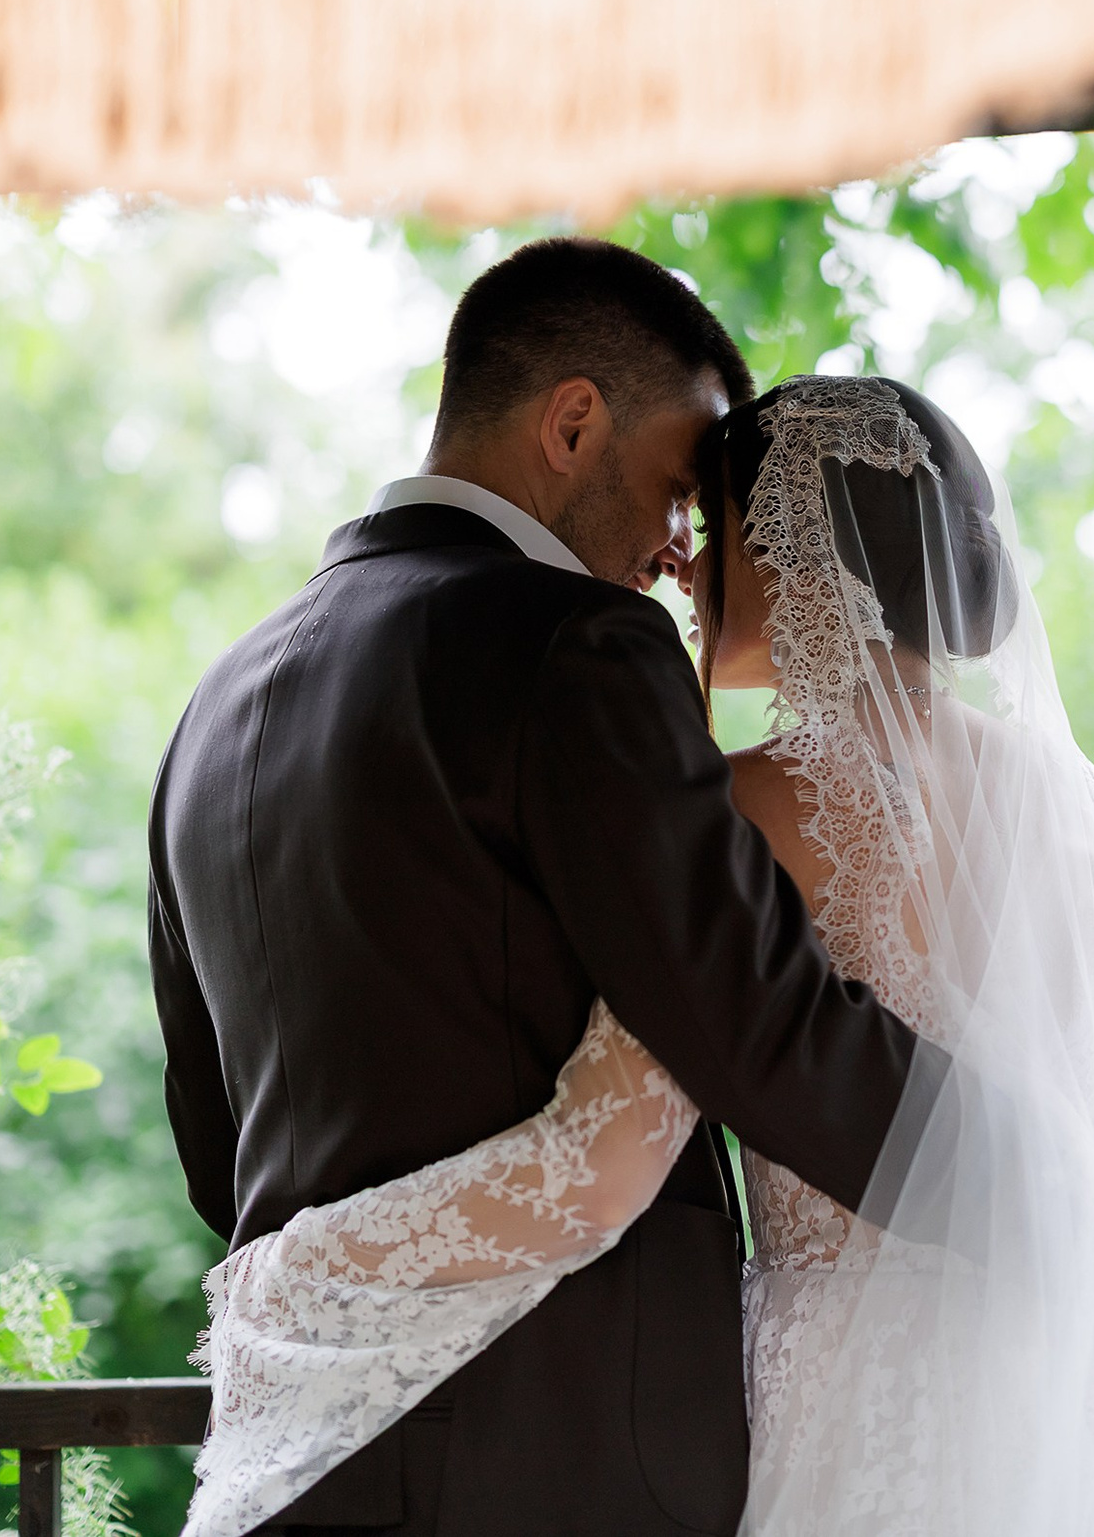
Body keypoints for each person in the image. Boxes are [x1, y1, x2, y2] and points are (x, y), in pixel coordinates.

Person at [183, 371, 1094, 1536]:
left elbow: (603, 1158)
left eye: (709, 526)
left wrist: (302, 1273)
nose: (679, 564)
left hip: (856, 1425)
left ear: (788, 552)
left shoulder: (742, 809)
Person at [149, 241, 943, 1537]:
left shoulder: (215, 704)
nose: (683, 547)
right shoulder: (578, 646)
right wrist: (1036, 1172)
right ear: (574, 420)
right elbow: (758, 1023)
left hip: (299, 1456)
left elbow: (214, 1140)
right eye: (679, 483)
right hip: (559, 1458)